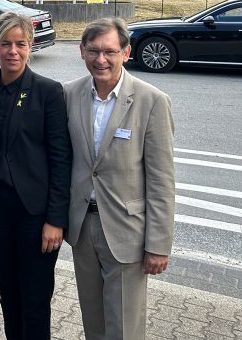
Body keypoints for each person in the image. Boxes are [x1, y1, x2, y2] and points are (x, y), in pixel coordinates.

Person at [63, 17, 175, 340]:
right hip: (83, 228)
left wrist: (158, 245)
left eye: (110, 52)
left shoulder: (151, 101)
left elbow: (162, 181)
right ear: (82, 51)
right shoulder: (70, 94)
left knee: (124, 328)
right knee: (93, 323)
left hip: (128, 233)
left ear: (126, 53)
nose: (101, 60)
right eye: (94, 51)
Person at [0, 12, 72, 339]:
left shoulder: (48, 92)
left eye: (20, 44)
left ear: (31, 46)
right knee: (8, 292)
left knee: (35, 297)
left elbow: (61, 159)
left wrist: (56, 219)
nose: (13, 51)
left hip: (36, 214)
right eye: (5, 44)